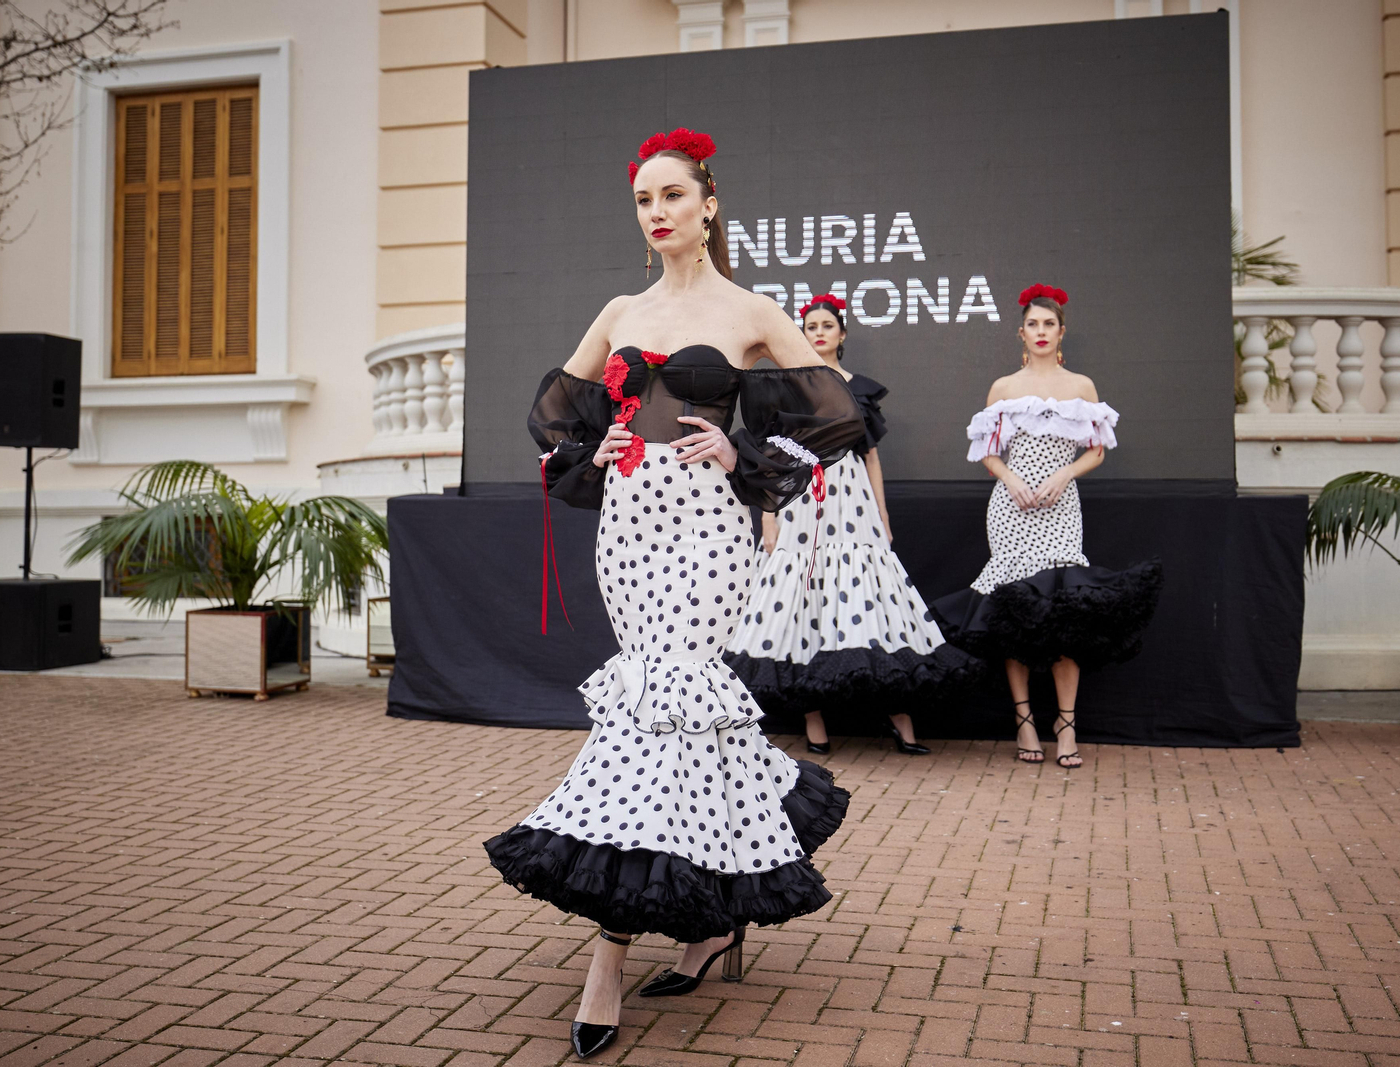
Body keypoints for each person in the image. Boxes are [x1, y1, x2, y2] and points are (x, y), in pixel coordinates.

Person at [483, 128, 865, 1060]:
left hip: (706, 529)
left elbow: (840, 419)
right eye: (643, 201)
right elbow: (551, 415)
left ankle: (607, 958)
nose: (656, 213)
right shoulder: (619, 308)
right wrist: (594, 451)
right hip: (630, 524)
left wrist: (744, 455)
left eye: (671, 196)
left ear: (709, 204)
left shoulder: (750, 310)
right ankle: (711, 920)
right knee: (663, 711)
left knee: (666, 695)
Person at [725, 294, 976, 756]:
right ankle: (813, 722)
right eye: (810, 325)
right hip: (801, 496)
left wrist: (881, 512)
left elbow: (871, 455)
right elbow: (771, 453)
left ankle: (902, 720)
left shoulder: (858, 388)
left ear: (842, 334)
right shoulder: (790, 386)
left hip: (853, 500)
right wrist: (767, 511)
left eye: (827, 325)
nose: (818, 331)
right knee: (801, 597)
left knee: (874, 597)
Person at [931, 284, 1162, 768]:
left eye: (1048, 324)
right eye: (1033, 324)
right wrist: (1011, 477)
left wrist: (1064, 474)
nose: (1040, 331)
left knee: (1064, 618)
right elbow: (987, 453)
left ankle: (1066, 724)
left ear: (1061, 333)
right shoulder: (1003, 388)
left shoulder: (1082, 387)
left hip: (1061, 509)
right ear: (1022, 332)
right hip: (1010, 511)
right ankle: (1025, 724)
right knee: (1015, 617)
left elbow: (1096, 451)